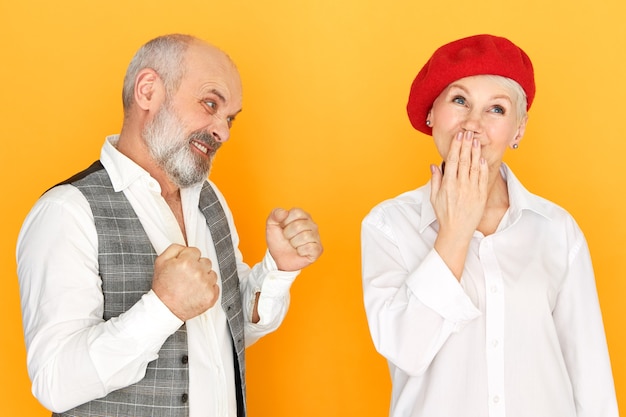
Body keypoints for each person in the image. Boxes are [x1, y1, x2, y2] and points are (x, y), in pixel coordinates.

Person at [17, 33, 323, 417]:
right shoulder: (67, 212)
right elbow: (54, 382)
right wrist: (163, 308)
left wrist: (278, 271)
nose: (223, 132)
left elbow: (226, 329)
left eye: (229, 119)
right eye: (210, 104)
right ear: (148, 91)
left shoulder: (209, 200)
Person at [361, 34, 618, 417]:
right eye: (460, 100)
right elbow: (406, 350)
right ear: (432, 114)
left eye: (496, 109)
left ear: (518, 130)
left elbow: (589, 371)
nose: (472, 124)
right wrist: (455, 232)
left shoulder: (557, 231)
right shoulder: (389, 225)